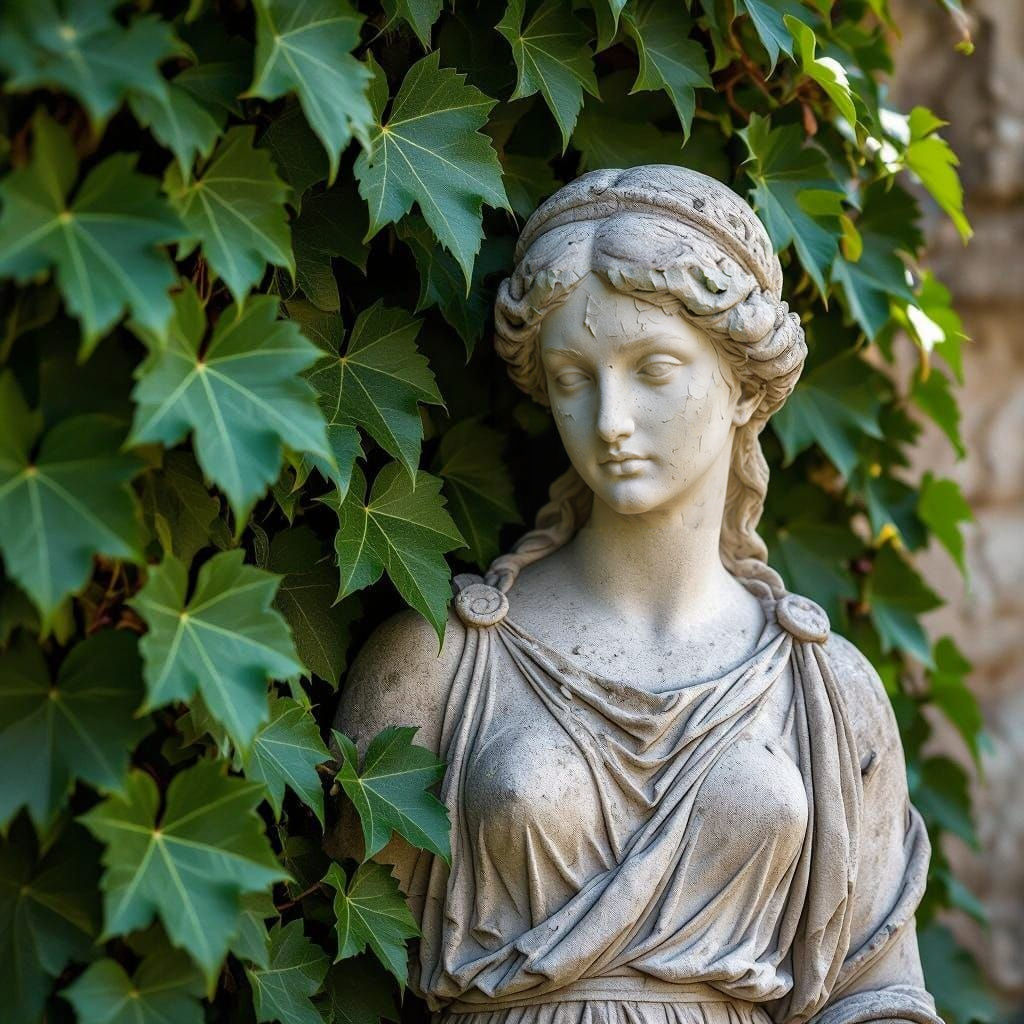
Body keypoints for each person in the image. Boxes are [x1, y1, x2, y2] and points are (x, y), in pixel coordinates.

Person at [333, 166, 941, 1024]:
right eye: (574, 377)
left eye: (653, 368)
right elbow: (349, 973)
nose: (611, 420)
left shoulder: (827, 693)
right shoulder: (439, 661)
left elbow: (878, 990)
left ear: (742, 386)